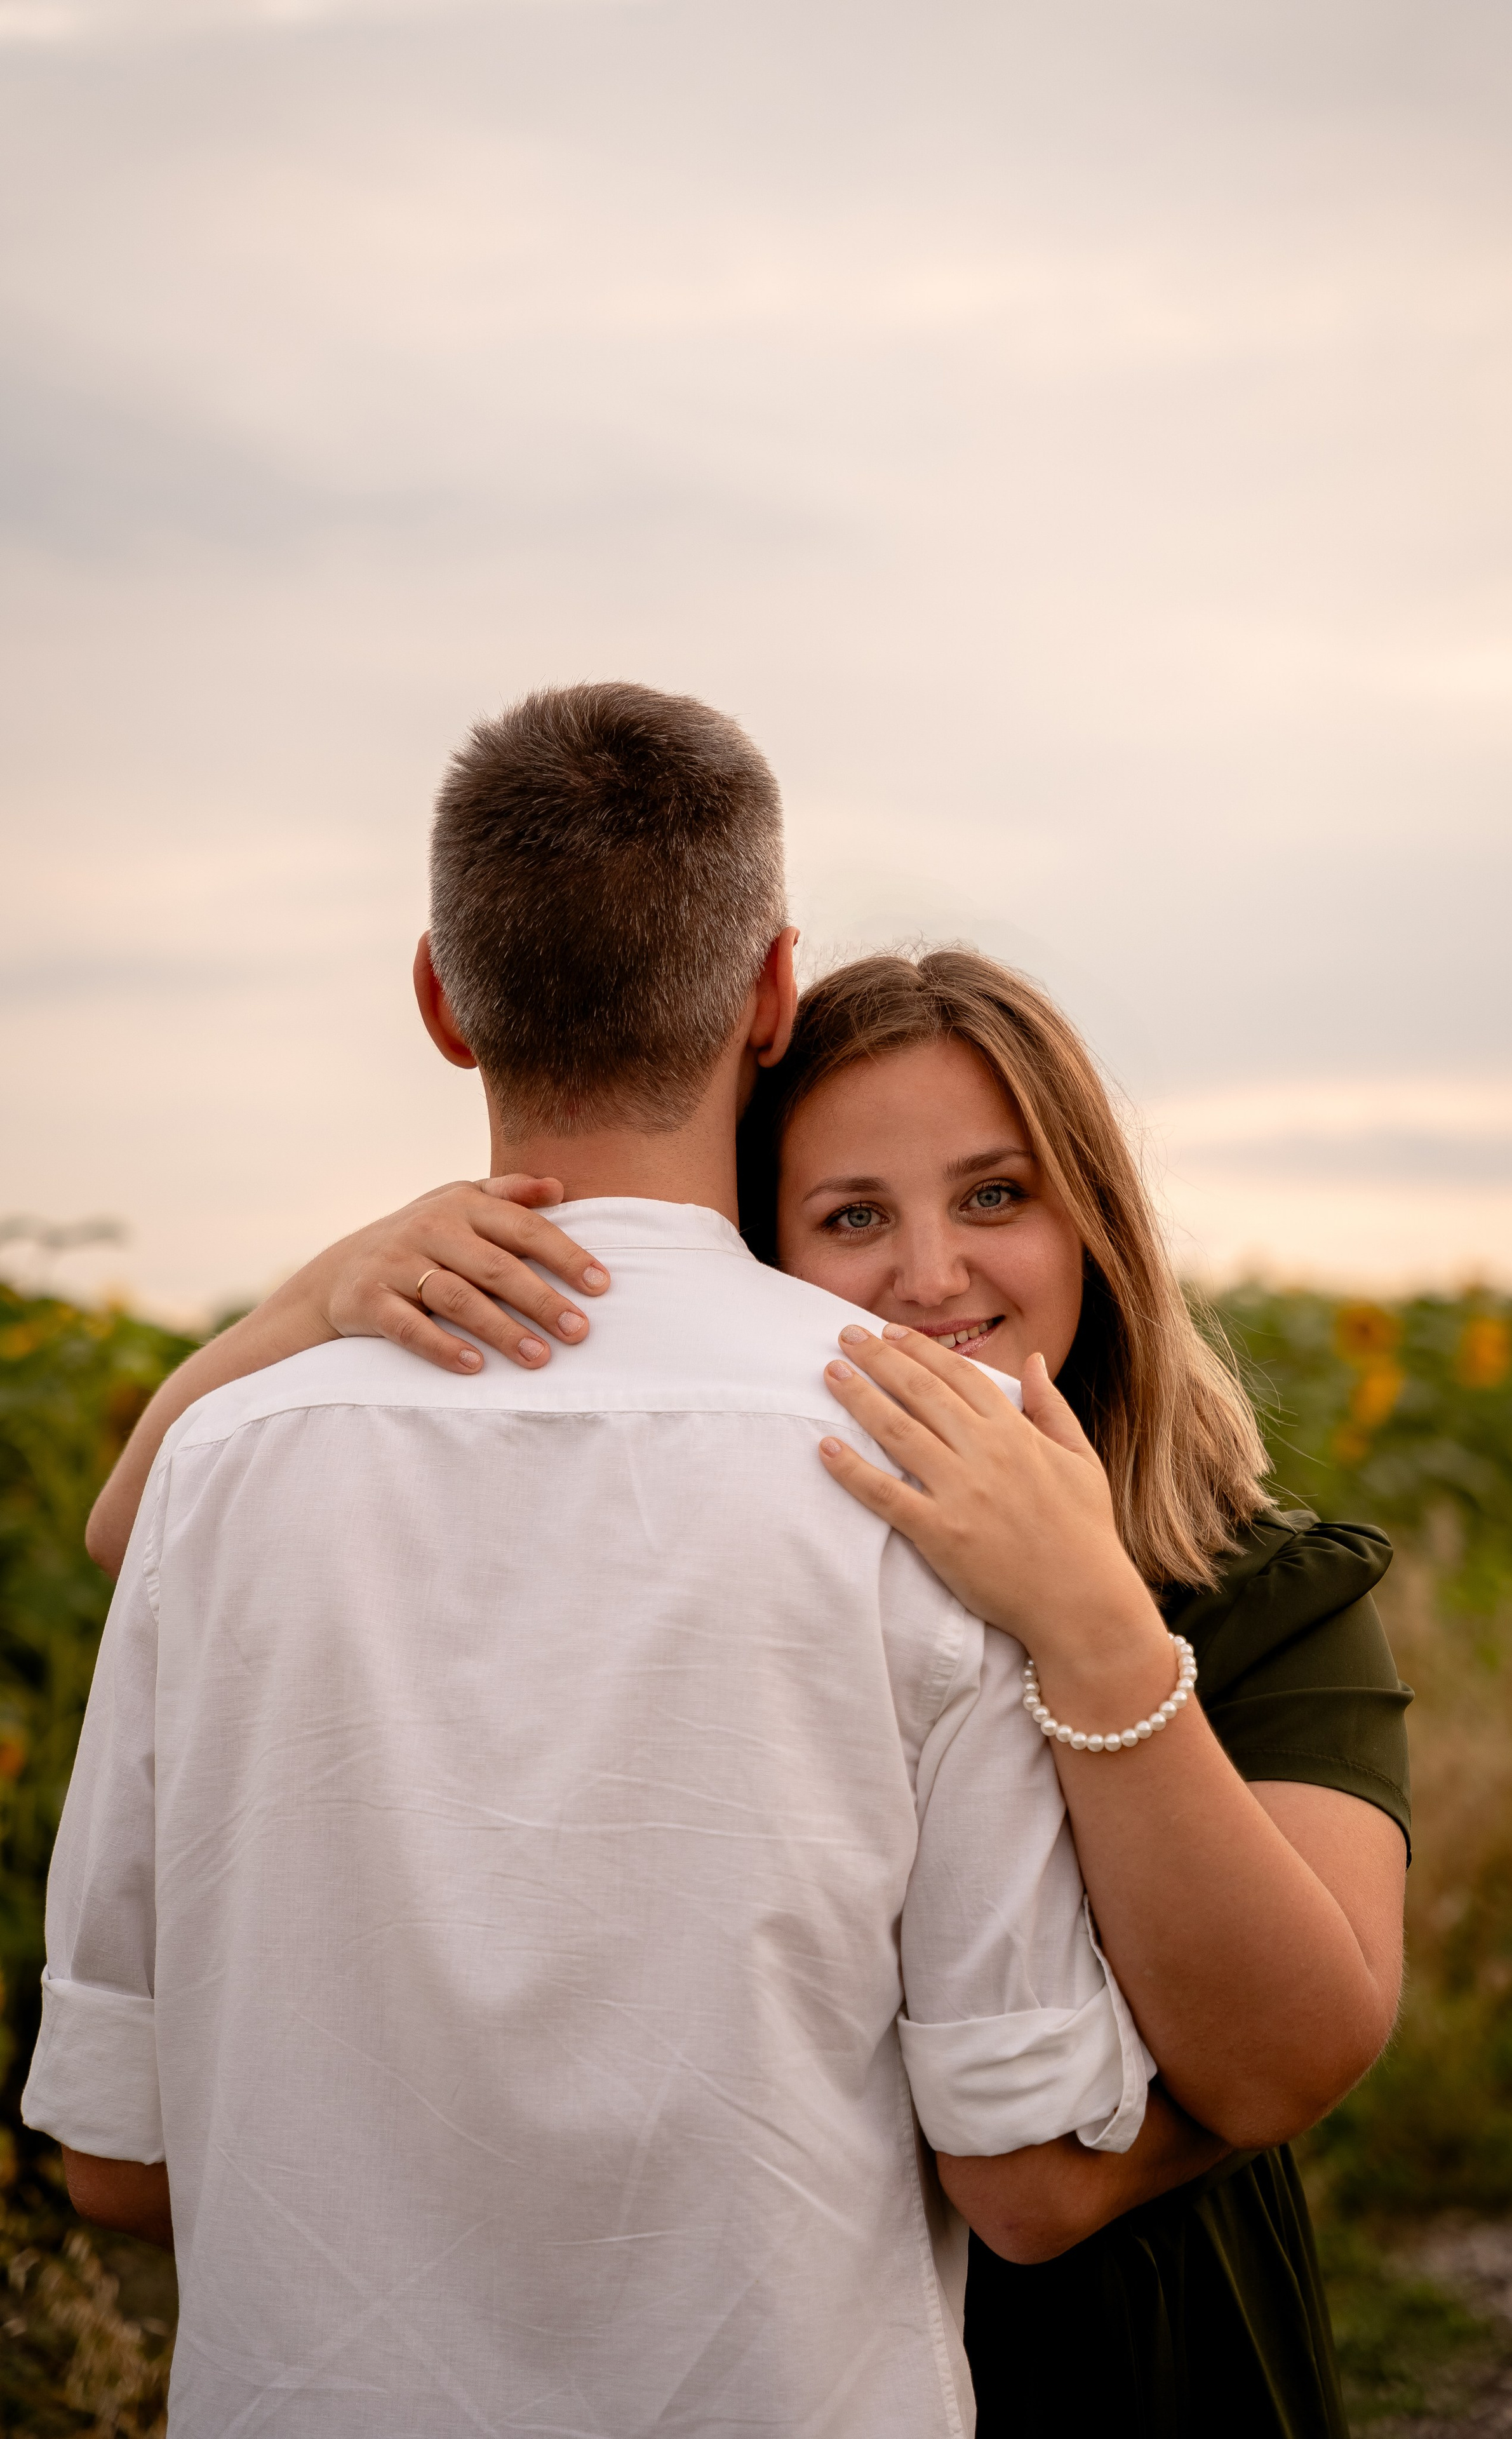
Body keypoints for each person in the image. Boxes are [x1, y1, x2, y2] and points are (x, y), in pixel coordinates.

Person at [24, 682, 1175, 2438]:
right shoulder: (924, 1461)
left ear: (440, 999)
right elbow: (1017, 2142)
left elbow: (110, 2161)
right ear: (774, 994)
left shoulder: (222, 1472)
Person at [87, 925, 1411, 2435]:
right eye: (851, 1217)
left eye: (994, 1196)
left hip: (1132, 2357)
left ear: (1093, 1221)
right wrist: (319, 1298)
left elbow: (1297, 2050)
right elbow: (141, 1531)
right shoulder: (778, 1547)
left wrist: (1094, 1624)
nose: (930, 1276)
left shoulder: (1261, 1587)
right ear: (760, 1260)